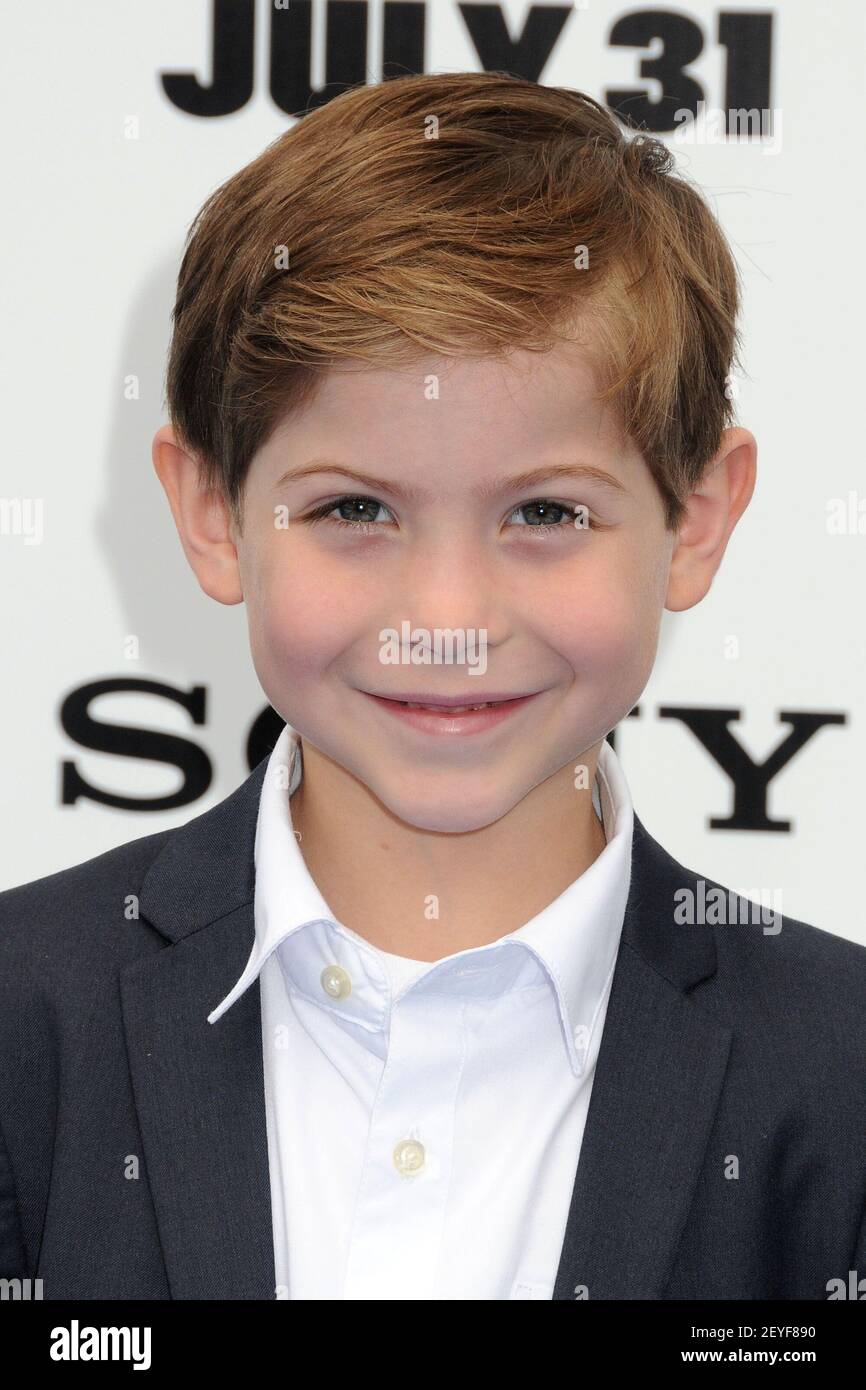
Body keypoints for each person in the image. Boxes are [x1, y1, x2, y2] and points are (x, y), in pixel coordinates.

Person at [2, 71, 864, 1301]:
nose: (448, 621)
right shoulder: (24, 1022)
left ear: (694, 520)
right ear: (210, 512)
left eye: (545, 512)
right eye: (354, 509)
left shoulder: (839, 1073)